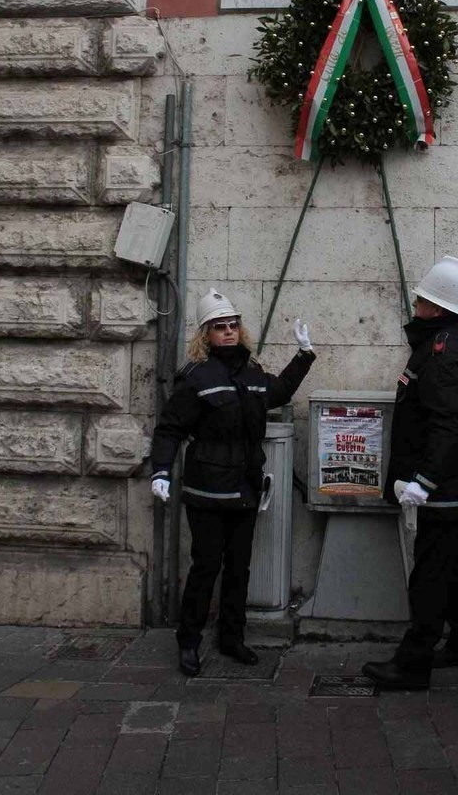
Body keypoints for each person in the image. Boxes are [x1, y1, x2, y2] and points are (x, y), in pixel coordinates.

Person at [150, 287, 315, 676]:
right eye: (219, 326)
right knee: (206, 567)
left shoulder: (253, 373)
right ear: (205, 334)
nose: (228, 331)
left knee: (239, 567)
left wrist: (303, 356)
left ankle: (231, 638)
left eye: (233, 325)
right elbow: (170, 428)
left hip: (244, 488)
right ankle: (189, 642)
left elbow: (278, 392)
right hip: (206, 491)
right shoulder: (196, 378)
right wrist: (161, 471)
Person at [362, 256, 458, 691]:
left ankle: (413, 663)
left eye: (421, 300)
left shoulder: (443, 349)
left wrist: (425, 480)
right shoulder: (454, 341)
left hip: (445, 485)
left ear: (435, 307)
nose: (415, 305)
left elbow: (448, 421)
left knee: (430, 573)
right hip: (454, 481)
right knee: (446, 562)